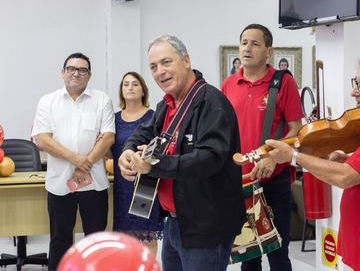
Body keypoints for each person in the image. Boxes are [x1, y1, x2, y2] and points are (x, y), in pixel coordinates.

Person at [265, 52, 360, 271]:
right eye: (355, 83)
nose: (354, 91)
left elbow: (346, 177)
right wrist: (351, 159)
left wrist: (293, 156)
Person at [118, 35, 246, 271]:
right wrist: (126, 151)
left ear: (186, 60)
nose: (160, 72)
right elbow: (142, 133)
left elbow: (210, 158)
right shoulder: (167, 104)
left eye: (167, 62)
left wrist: (154, 165)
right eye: (153, 67)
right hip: (174, 222)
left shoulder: (211, 103)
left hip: (204, 226)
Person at [221, 24, 303, 271]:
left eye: (255, 43)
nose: (247, 48)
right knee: (248, 255)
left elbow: (297, 130)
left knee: (277, 253)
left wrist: (274, 159)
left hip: (272, 179)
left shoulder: (283, 83)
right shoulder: (228, 84)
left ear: (269, 51)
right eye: (244, 42)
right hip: (240, 181)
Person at [31, 52, 115, 271]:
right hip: (59, 185)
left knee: (95, 241)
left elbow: (108, 137)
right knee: (60, 240)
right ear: (63, 72)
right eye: (71, 69)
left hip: (94, 184)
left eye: (82, 70)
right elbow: (43, 139)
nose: (76, 73)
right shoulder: (48, 101)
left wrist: (83, 166)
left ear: (89, 75)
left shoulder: (102, 100)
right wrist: (78, 160)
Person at [110, 72, 163, 257]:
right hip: (121, 185)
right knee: (124, 239)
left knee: (146, 237)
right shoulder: (113, 119)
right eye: (126, 84)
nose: (130, 88)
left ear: (143, 90)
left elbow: (160, 149)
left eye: (135, 84)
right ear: (121, 91)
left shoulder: (153, 117)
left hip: (145, 184)